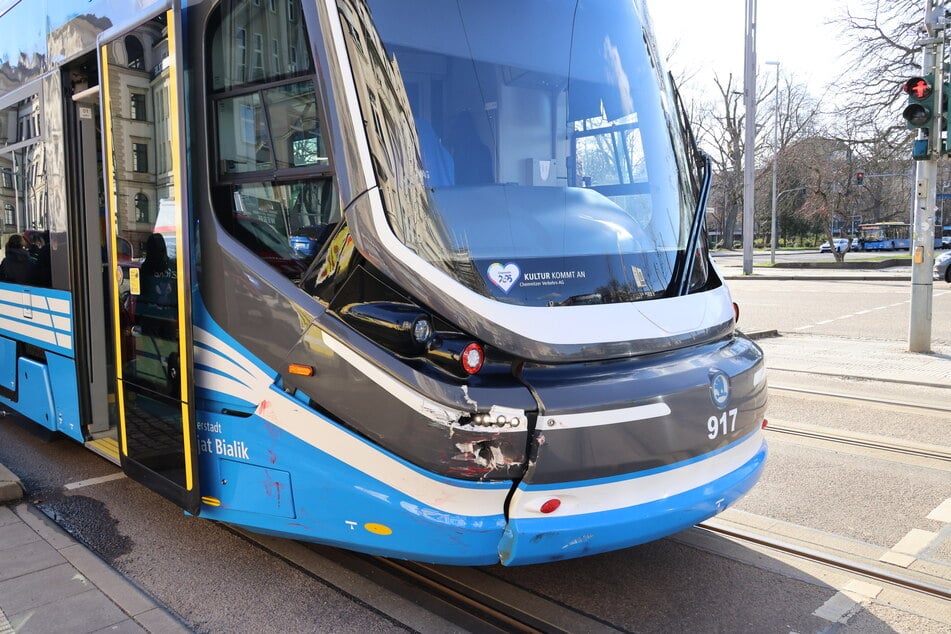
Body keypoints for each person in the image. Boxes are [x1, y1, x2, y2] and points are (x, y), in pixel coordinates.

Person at [135, 233, 177, 339]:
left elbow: (141, 295)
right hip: (169, 315)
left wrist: (137, 318)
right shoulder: (174, 266)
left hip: (150, 316)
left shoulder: (145, 269)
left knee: (151, 348)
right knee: (169, 348)